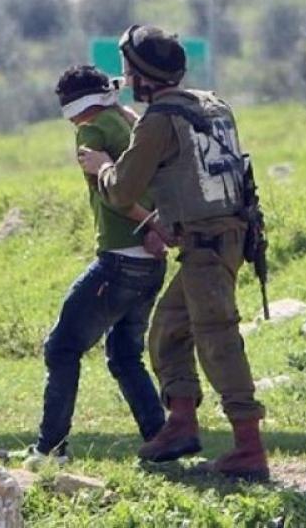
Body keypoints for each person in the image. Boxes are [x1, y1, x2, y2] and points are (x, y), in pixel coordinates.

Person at [78, 25, 269, 482]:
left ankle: (249, 447)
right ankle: (181, 425)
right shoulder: (212, 104)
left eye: (129, 70)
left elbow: (122, 190)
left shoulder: (159, 120)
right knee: (167, 330)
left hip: (207, 245)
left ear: (144, 76)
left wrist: (102, 167)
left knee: (218, 340)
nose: (126, 78)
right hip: (226, 237)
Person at [0, 65, 167, 469]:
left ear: (72, 106)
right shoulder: (129, 122)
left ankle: (50, 450)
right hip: (151, 264)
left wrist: (150, 223)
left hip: (120, 260)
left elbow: (115, 195)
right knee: (124, 355)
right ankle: (162, 442)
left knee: (62, 348)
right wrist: (157, 225)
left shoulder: (91, 133)